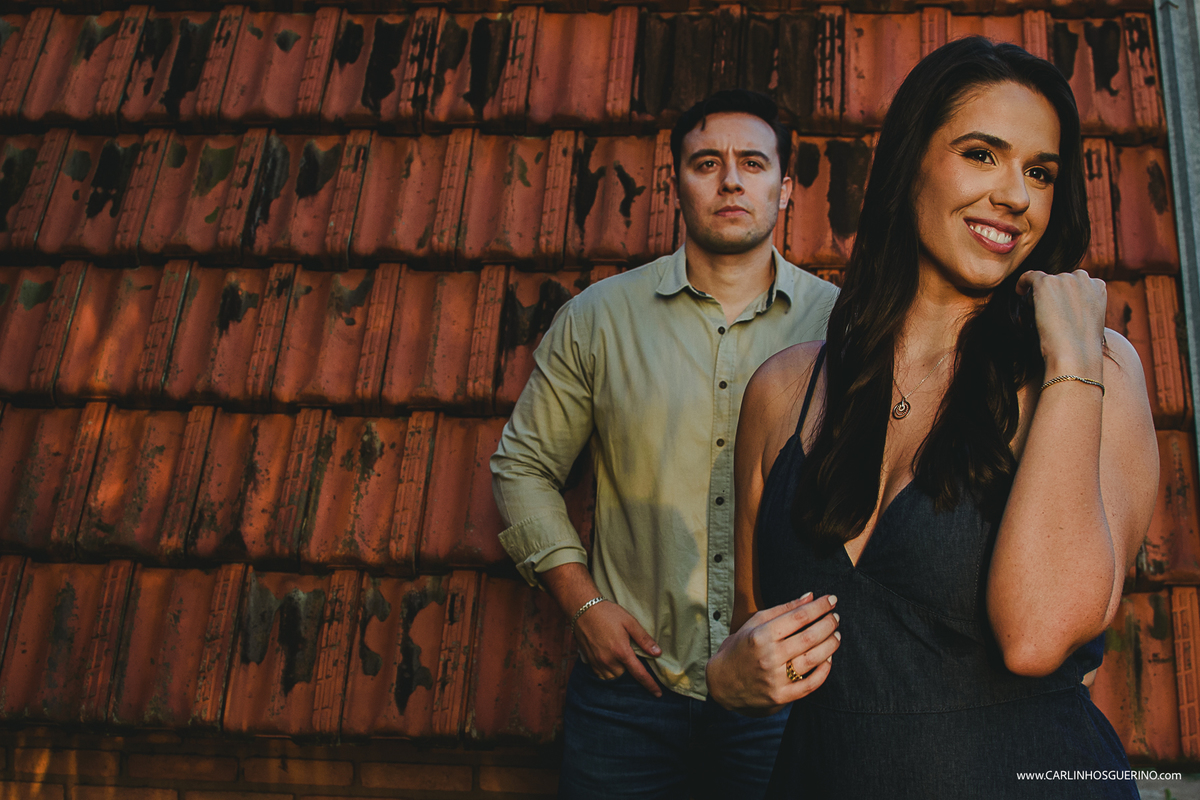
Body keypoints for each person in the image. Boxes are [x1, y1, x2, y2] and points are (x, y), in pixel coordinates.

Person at [704, 38, 1158, 798]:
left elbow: (1037, 634)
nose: (1016, 196)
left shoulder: (1091, 371)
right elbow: (755, 631)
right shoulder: (783, 390)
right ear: (910, 162)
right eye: (982, 155)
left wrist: (1073, 358)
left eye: (1040, 172)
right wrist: (724, 679)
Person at [490, 90, 839, 799]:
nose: (731, 181)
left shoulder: (843, 326)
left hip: (787, 695)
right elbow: (522, 467)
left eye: (753, 163)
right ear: (676, 182)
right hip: (629, 697)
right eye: (706, 163)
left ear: (785, 187)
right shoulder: (598, 319)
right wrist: (584, 605)